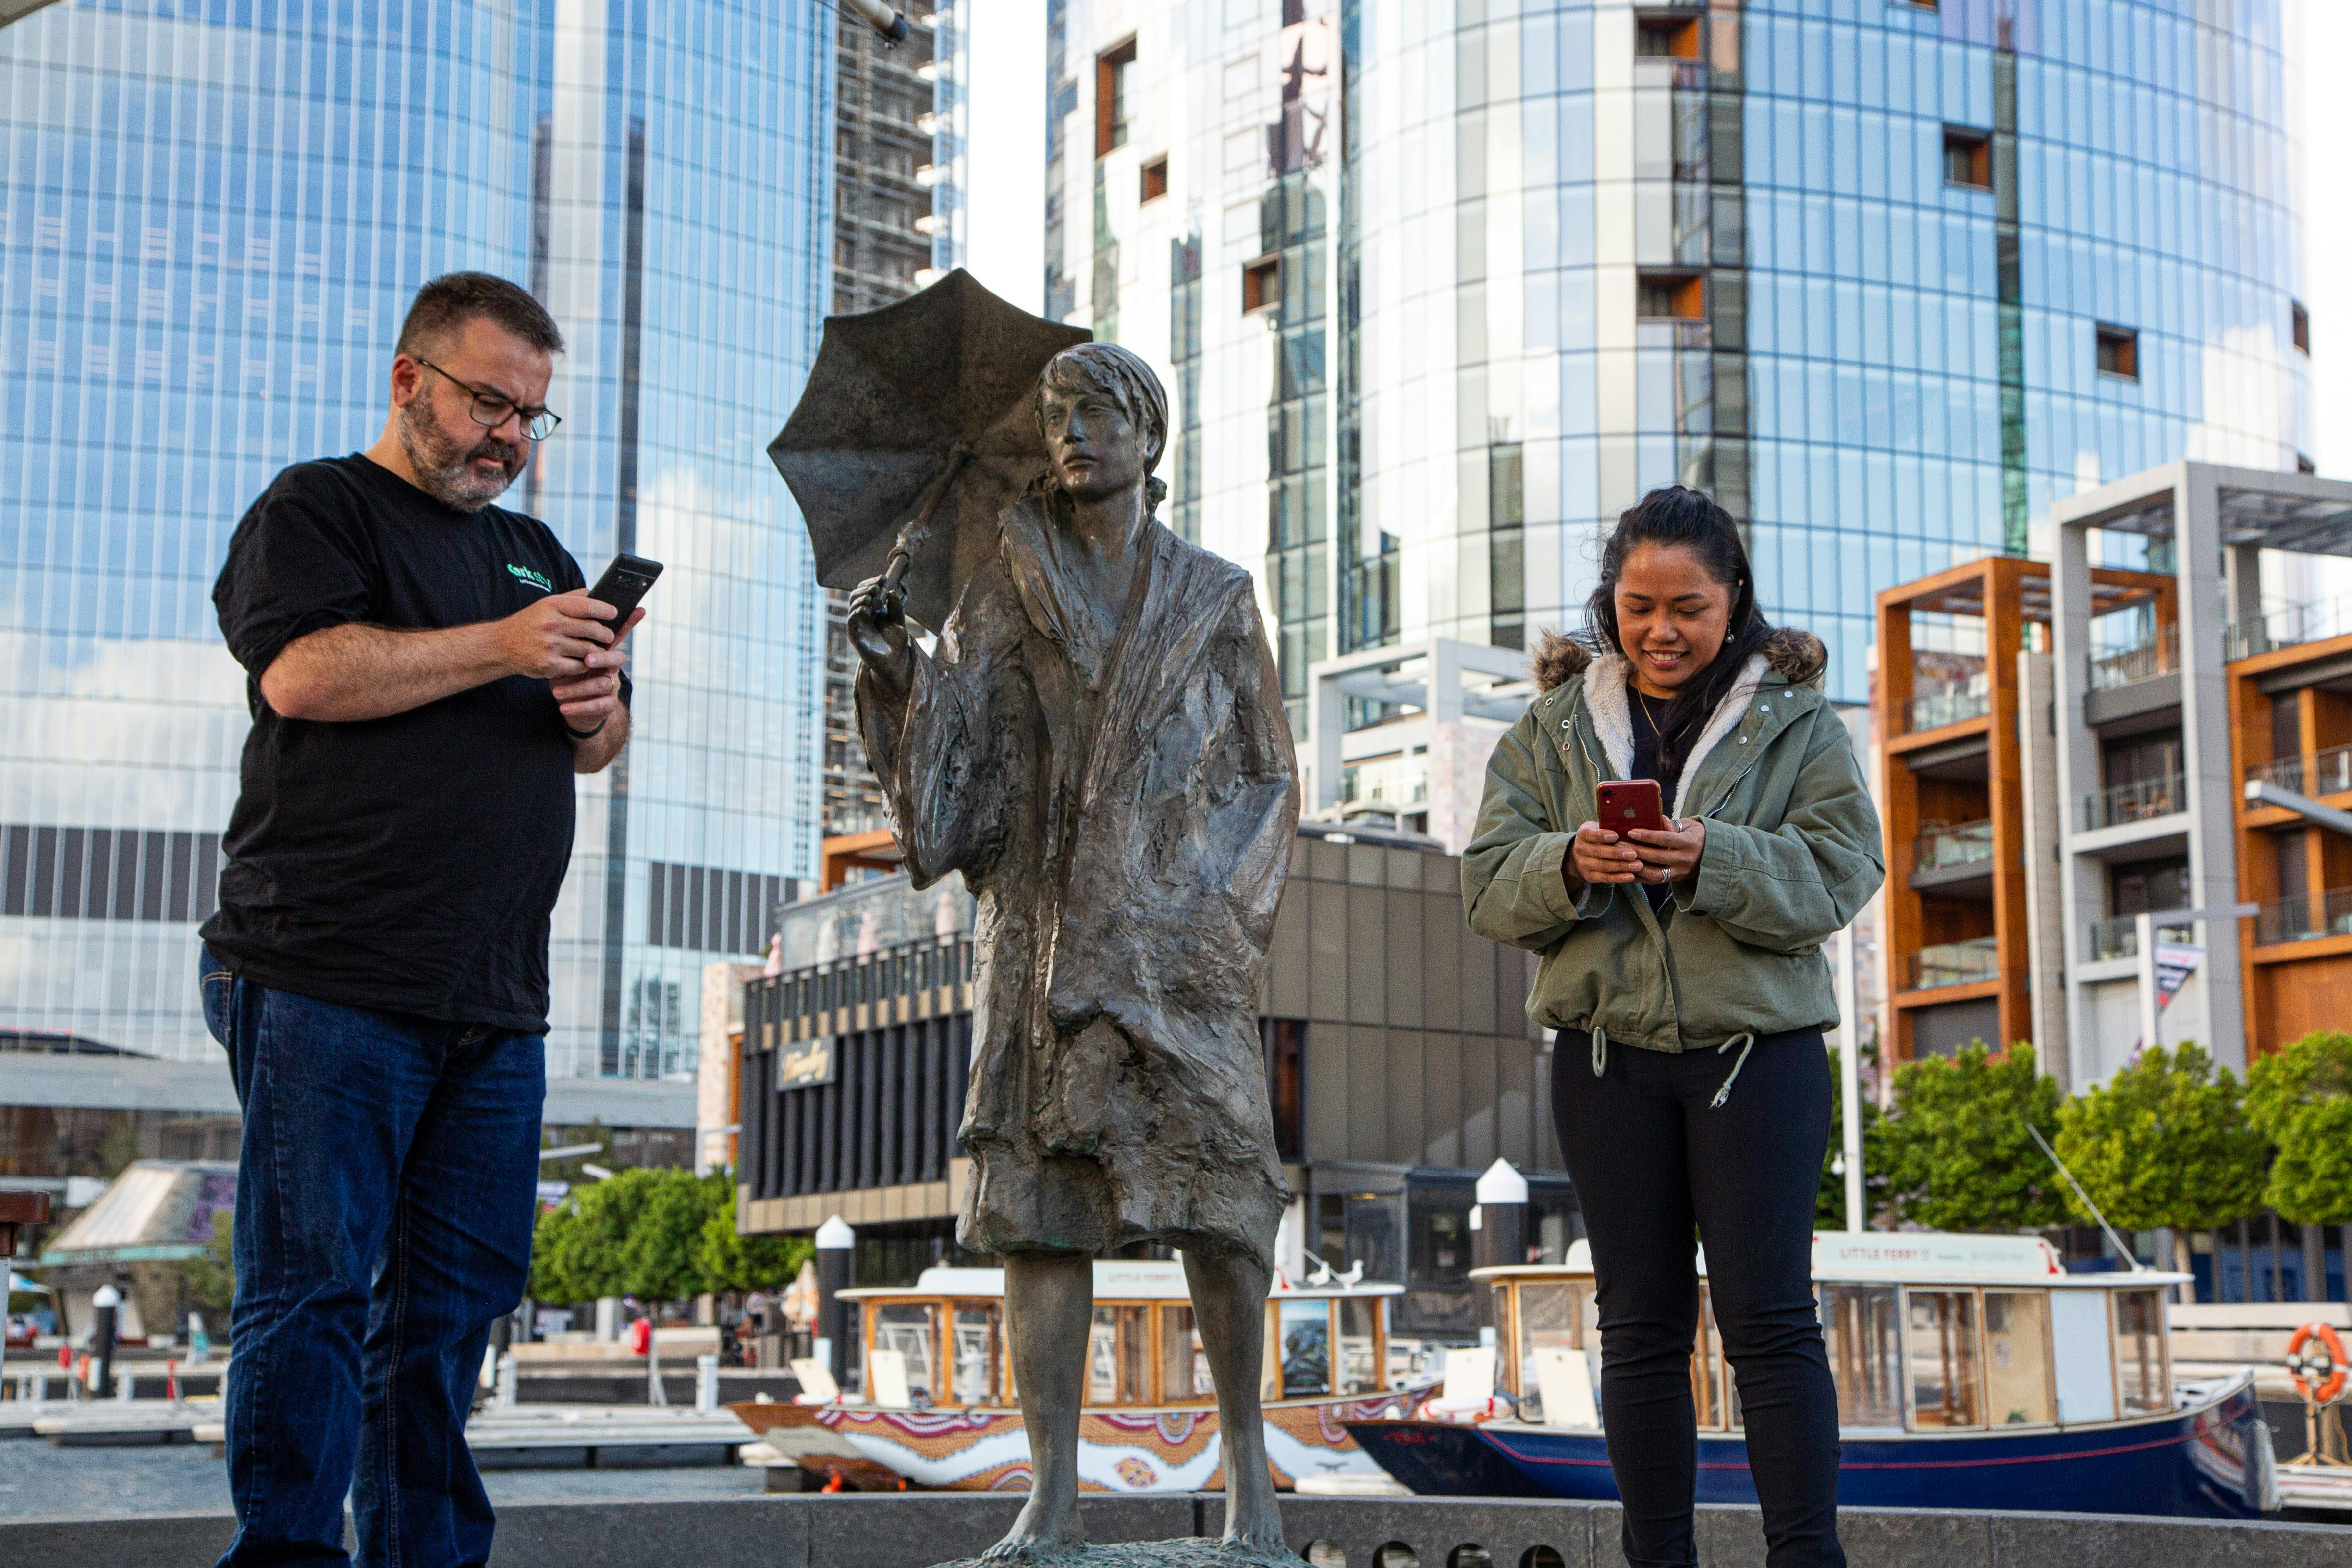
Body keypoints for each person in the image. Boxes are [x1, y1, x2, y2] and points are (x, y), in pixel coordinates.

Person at [197, 272, 640, 1568]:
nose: (509, 436)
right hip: (324, 971)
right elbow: (304, 672)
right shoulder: (317, 506)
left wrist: (593, 701)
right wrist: (505, 646)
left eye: (532, 416)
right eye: (489, 403)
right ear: (411, 382)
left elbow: (599, 750)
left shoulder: (542, 557)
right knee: (312, 1295)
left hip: (493, 998)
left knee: (450, 1312)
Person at [844, 342, 1299, 1558]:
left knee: (1224, 1207)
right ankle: (1052, 1496)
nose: (1072, 437)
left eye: (1096, 414)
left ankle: (1252, 1483)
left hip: (1176, 948)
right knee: (1037, 1216)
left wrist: (1208, 918)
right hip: (1040, 935)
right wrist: (897, 667)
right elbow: (956, 779)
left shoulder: (1214, 591)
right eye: (1056, 419)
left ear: (1150, 437)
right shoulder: (1005, 578)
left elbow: (1267, 778)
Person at [1462, 486, 1884, 1568]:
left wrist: (1716, 855)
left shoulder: (1799, 723)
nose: (1661, 630)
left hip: (1761, 1058)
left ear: (1733, 598)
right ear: (1610, 600)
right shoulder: (1552, 729)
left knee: (1771, 1326)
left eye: (1688, 606)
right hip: (1607, 1064)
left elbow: (1845, 873)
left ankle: (1807, 1558)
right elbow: (1484, 888)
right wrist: (1566, 862)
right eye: (1639, 604)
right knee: (1639, 1330)